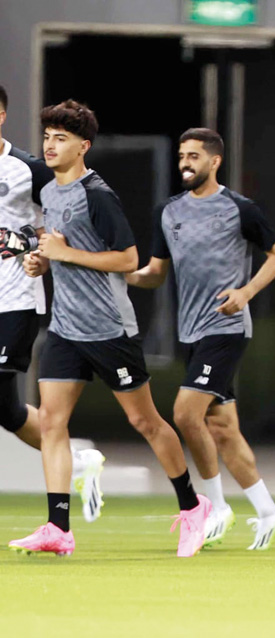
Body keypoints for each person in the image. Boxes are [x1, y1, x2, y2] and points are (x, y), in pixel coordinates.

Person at [8, 100, 209, 558]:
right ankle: (58, 528)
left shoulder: (97, 194)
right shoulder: (51, 194)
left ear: (84, 146)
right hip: (65, 329)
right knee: (53, 422)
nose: (50, 146)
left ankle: (192, 508)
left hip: (108, 329)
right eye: (47, 137)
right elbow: (60, 250)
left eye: (61, 139)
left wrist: (64, 255)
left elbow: (128, 260)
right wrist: (42, 261)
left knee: (146, 421)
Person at [126, 128, 275, 551]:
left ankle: (214, 506)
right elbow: (155, 273)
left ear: (214, 161)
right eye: (182, 155)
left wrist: (246, 292)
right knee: (222, 428)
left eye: (194, 156)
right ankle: (268, 509)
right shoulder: (169, 211)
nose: (185, 162)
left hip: (227, 329)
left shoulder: (240, 209)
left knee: (184, 414)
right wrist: (116, 273)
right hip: (191, 333)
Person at [0, 85, 105, 523]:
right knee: (5, 409)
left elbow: (70, 211)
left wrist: (37, 249)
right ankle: (78, 464)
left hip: (14, 297)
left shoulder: (28, 168)